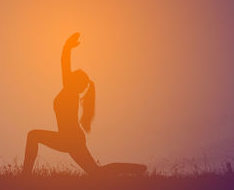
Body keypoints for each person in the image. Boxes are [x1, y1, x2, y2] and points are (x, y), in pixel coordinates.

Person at [22, 33, 146, 176]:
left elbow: (64, 64)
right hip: (72, 139)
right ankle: (138, 169)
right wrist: (67, 47)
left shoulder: (69, 92)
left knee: (33, 136)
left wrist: (67, 47)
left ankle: (25, 176)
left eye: (71, 75)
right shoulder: (70, 92)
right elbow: (66, 68)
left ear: (74, 81)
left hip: (69, 138)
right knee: (96, 173)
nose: (69, 75)